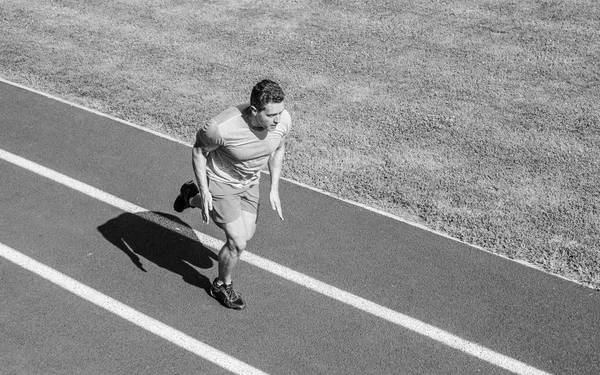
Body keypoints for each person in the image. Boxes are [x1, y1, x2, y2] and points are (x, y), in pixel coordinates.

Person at [173, 79, 291, 310]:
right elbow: (199, 152)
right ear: (255, 110)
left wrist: (274, 187)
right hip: (221, 183)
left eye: (281, 112)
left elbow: (279, 147)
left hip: (249, 183)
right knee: (237, 243)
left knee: (246, 235)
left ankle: (190, 196)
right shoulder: (220, 128)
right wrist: (206, 190)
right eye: (272, 115)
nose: (278, 120)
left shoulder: (282, 120)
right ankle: (221, 285)